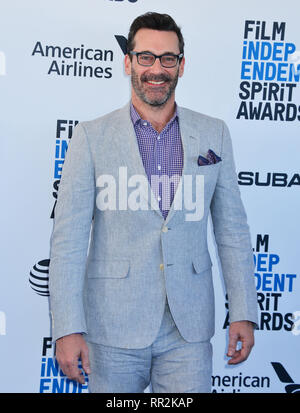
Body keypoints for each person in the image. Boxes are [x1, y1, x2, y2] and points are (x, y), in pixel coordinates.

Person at [49, 12, 258, 393]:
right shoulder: (91, 137)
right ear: (128, 62)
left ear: (182, 65)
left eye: (167, 59)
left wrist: (243, 311)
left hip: (188, 331)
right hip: (112, 327)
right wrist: (66, 327)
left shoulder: (215, 133)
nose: (156, 69)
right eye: (146, 57)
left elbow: (233, 232)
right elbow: (69, 241)